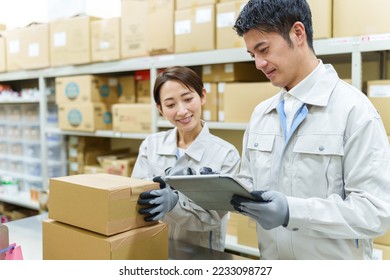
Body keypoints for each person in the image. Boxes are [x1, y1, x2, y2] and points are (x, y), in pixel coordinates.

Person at [230, 0, 390, 259]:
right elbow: (249, 184)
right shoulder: (261, 114)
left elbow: (375, 212)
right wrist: (214, 187)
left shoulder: (354, 111)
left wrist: (292, 212)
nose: (258, 63)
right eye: (252, 55)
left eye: (264, 49)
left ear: (297, 33)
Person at [132, 66, 240, 251]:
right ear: (160, 108)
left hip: (201, 253)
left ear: (202, 96)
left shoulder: (225, 154)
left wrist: (174, 204)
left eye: (188, 99)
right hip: (154, 248)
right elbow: (134, 196)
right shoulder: (151, 145)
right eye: (170, 104)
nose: (182, 111)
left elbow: (212, 218)